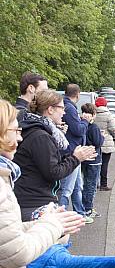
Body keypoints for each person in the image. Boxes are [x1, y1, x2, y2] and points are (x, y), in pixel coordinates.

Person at [0, 99, 85, 268]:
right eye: (15, 131)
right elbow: (17, 252)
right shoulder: (3, 185)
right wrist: (52, 225)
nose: (20, 137)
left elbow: (7, 236)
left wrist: (34, 227)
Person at [13, 91, 96, 221]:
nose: (64, 112)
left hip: (30, 199)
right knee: (65, 232)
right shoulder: (40, 136)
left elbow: (47, 162)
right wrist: (75, 158)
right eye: (62, 108)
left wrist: (74, 156)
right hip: (34, 201)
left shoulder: (37, 130)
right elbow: (53, 172)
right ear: (50, 109)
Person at [58, 84, 91, 221]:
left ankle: (80, 213)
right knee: (67, 189)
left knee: (77, 186)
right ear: (77, 95)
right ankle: (62, 218)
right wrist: (85, 121)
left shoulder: (67, 105)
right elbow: (78, 130)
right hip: (71, 152)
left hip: (74, 152)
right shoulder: (70, 108)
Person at [80, 104, 103, 219]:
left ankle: (85, 207)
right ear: (93, 114)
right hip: (94, 159)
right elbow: (98, 142)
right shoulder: (94, 127)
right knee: (91, 186)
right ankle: (88, 209)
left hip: (84, 158)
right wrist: (102, 136)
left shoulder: (82, 126)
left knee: (85, 184)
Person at [94, 97, 115, 191]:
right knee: (105, 164)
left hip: (95, 142)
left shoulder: (94, 114)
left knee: (95, 164)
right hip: (106, 142)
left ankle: (95, 183)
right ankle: (103, 184)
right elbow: (113, 129)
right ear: (105, 104)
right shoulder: (108, 115)